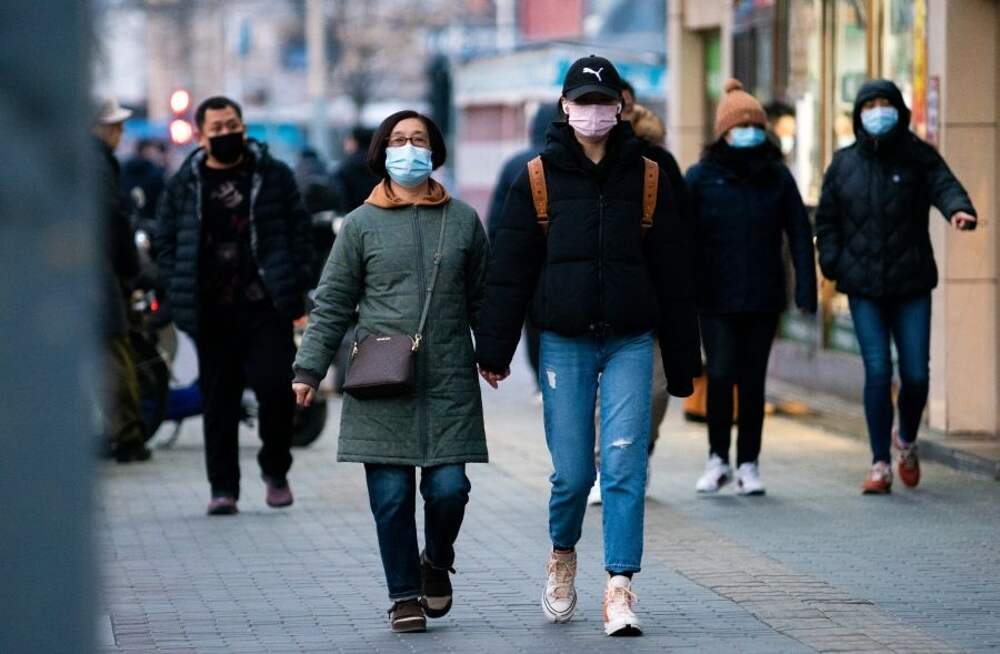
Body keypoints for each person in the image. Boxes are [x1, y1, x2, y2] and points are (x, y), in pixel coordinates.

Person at [475, 55, 701, 637]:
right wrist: (494, 350)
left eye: (604, 103)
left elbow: (676, 273)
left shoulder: (649, 176)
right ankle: (562, 554)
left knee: (624, 464)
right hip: (564, 341)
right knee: (574, 474)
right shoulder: (536, 178)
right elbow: (509, 271)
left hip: (631, 339)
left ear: (620, 108)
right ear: (565, 107)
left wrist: (683, 360)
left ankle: (620, 586)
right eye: (583, 102)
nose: (594, 113)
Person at [292, 110, 489, 634]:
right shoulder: (360, 224)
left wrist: (492, 354)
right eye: (399, 140)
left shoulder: (463, 220)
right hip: (380, 377)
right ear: (382, 152)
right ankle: (403, 595)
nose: (409, 148)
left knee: (449, 489)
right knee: (392, 497)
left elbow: (483, 298)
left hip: (448, 378)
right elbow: (333, 303)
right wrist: (308, 370)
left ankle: (436, 561)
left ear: (434, 151)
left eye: (418, 139)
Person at [154, 96, 314, 515]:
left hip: (266, 305)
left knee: (276, 389)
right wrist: (175, 281)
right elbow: (165, 239)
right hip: (211, 310)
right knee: (218, 400)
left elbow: (300, 230)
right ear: (202, 136)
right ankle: (223, 488)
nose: (226, 133)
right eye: (217, 128)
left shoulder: (273, 175)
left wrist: (298, 279)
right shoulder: (185, 183)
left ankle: (275, 468)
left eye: (232, 125)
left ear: (243, 127)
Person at [815, 79, 977, 495]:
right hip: (863, 286)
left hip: (911, 282)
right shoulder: (844, 164)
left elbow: (944, 184)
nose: (878, 111)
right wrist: (832, 261)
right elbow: (827, 219)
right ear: (859, 114)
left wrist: (958, 210)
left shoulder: (917, 155)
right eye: (870, 104)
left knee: (916, 375)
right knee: (878, 371)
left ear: (899, 111)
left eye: (885, 103)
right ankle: (880, 464)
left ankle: (905, 439)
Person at [686, 79, 817, 496]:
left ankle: (749, 464)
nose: (749, 133)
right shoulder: (701, 177)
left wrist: (806, 289)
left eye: (756, 127)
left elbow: (799, 232)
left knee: (753, 381)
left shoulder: (777, 177)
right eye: (741, 126)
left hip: (763, 295)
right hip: (714, 296)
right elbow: (681, 237)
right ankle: (717, 458)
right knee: (721, 374)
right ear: (724, 131)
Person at [586, 100, 678, 506]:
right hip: (593, 312)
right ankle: (605, 466)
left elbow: (680, 236)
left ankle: (638, 450)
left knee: (655, 392)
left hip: (648, 307)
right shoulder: (583, 167)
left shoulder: (658, 167)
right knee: (598, 398)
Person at [486, 102, 559, 396]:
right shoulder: (567, 162)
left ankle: (542, 381)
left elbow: (497, 217)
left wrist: (498, 255)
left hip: (526, 258)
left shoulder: (515, 163)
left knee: (532, 322)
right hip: (560, 258)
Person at [93, 97, 151, 463]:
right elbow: (113, 222)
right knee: (116, 352)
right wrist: (132, 272)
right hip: (98, 275)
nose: (121, 132)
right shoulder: (97, 162)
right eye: (115, 126)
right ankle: (128, 435)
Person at [330, 126, 379, 214]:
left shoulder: (345, 167)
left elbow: (342, 198)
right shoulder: (382, 163)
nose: (345, 143)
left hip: (354, 215)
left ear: (355, 142)